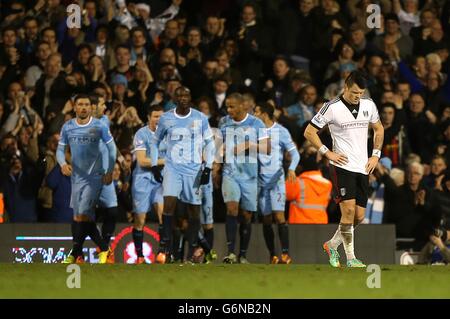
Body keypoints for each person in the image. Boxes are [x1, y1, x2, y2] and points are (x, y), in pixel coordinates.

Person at [304, 71, 384, 267]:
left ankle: (332, 245)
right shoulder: (331, 107)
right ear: (346, 87)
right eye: (355, 92)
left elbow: (379, 129)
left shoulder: (369, 105)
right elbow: (309, 131)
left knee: (359, 216)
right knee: (347, 212)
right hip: (342, 166)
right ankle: (351, 258)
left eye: (361, 93)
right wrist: (327, 152)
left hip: (363, 166)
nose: (358, 97)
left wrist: (375, 154)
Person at [150, 86, 215, 263]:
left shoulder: (200, 118)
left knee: (194, 212)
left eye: (186, 95)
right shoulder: (166, 118)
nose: (183, 98)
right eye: (179, 95)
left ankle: (193, 249)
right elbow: (155, 142)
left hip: (193, 171)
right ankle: (165, 248)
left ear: (190, 97)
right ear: (174, 98)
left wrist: (208, 168)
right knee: (168, 205)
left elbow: (210, 144)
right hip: (172, 169)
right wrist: (155, 165)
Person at [57, 94, 117, 264]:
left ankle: (76, 253)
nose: (83, 108)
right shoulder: (68, 127)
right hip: (78, 177)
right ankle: (99, 249)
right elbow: (60, 150)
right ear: (74, 107)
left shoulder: (100, 125)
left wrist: (110, 169)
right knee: (80, 217)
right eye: (80, 105)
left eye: (86, 105)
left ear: (91, 107)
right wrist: (62, 164)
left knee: (83, 213)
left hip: (96, 175)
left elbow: (112, 149)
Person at [218, 93, 270, 264]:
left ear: (243, 106)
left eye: (232, 106)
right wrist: (217, 162)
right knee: (232, 209)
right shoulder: (224, 122)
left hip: (250, 174)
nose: (229, 110)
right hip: (230, 173)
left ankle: (243, 255)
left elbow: (267, 148)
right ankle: (231, 253)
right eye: (227, 106)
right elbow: (219, 147)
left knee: (246, 215)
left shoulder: (256, 123)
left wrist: (248, 145)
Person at [254, 102, 300, 264]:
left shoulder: (281, 131)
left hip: (277, 180)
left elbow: (295, 154)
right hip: (260, 182)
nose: (254, 115)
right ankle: (273, 255)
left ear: (264, 114)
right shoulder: (254, 131)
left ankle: (286, 254)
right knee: (266, 219)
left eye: (256, 111)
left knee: (279, 216)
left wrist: (292, 169)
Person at [131, 105, 165, 264]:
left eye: (161, 117)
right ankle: (139, 256)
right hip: (143, 179)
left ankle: (162, 253)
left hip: (160, 180)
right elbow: (142, 161)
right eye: (156, 116)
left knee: (163, 214)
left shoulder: (168, 135)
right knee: (140, 219)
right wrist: (164, 161)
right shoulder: (141, 134)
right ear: (149, 118)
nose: (159, 120)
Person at [91, 94, 119, 263]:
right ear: (93, 107)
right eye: (102, 104)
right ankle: (102, 247)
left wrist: (120, 160)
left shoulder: (105, 120)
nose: (105, 108)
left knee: (112, 211)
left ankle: (104, 248)